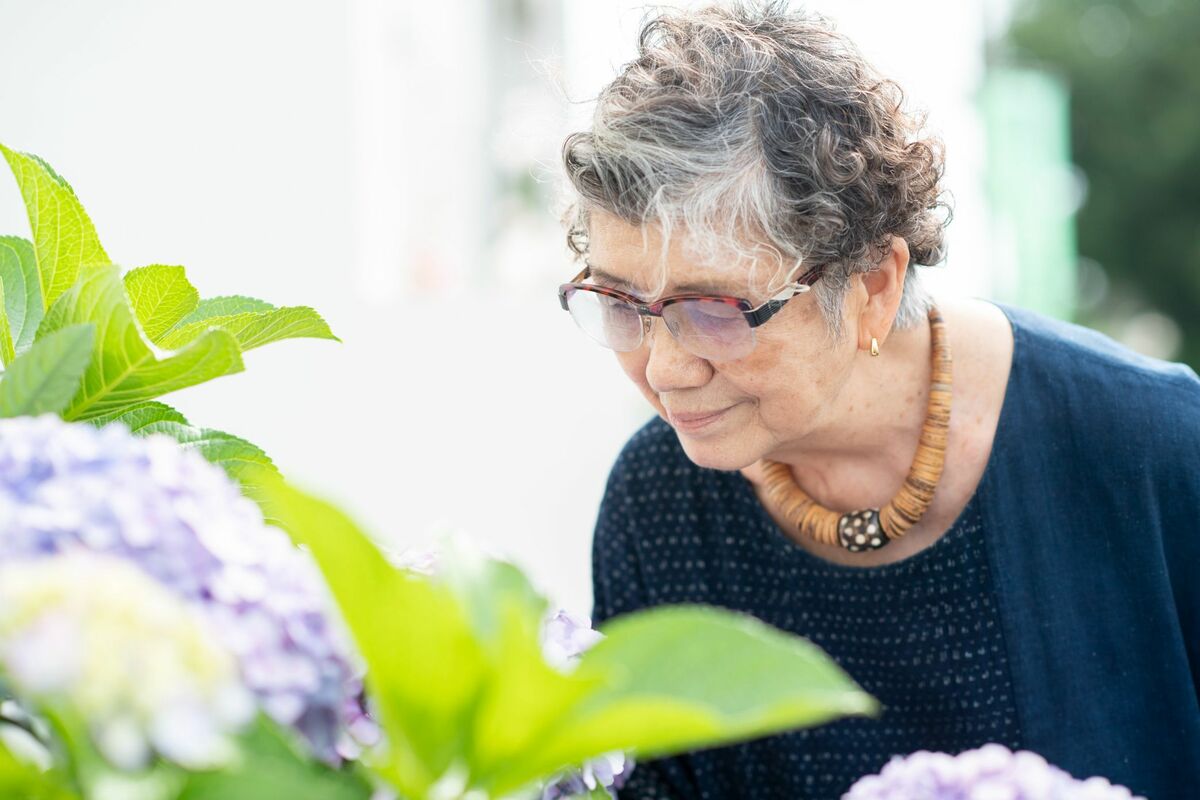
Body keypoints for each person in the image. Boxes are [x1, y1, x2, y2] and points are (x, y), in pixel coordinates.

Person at [554, 3, 1200, 799]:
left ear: (871, 286)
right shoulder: (658, 502)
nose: (665, 369)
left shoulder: (1156, 449)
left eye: (716, 309)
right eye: (620, 303)